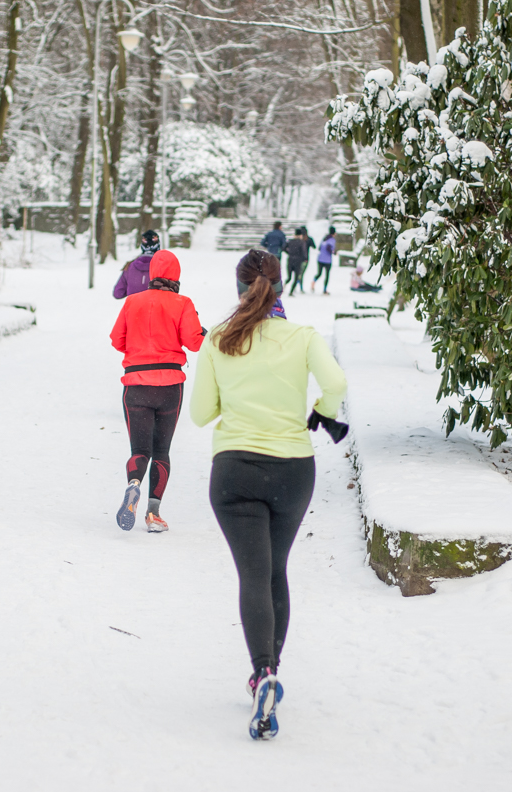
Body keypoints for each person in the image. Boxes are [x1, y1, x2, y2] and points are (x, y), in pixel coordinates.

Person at [190, 249, 348, 740]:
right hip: (292, 471)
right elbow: (336, 382)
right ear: (280, 286)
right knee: (276, 570)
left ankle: (263, 671)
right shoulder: (303, 336)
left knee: (253, 575)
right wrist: (323, 412)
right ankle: (270, 671)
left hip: (234, 471)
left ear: (239, 287)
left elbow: (200, 414)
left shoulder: (220, 339)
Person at [109, 250, 205, 532]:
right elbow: (195, 343)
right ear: (176, 275)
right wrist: (201, 331)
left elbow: (117, 340)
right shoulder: (183, 303)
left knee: (140, 449)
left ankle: (133, 485)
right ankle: (153, 514)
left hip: (136, 384)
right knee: (161, 450)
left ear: (152, 274)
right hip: (169, 387)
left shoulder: (132, 301)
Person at [113, 230, 161, 299]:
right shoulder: (164, 267)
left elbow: (118, 293)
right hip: (156, 305)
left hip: (133, 305)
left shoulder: (130, 266)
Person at [283, 227, 311, 296]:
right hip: (298, 261)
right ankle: (291, 292)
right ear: (301, 235)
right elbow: (304, 252)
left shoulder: (290, 241)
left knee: (289, 277)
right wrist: (305, 258)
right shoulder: (302, 242)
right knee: (296, 277)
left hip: (290, 260)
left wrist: (289, 253)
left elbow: (283, 248)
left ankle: (284, 286)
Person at [311, 227, 337, 295]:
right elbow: (329, 248)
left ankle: (313, 282)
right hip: (327, 260)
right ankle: (325, 290)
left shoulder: (324, 238)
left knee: (319, 273)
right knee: (327, 275)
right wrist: (334, 252)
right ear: (334, 233)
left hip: (320, 259)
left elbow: (319, 248)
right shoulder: (332, 240)